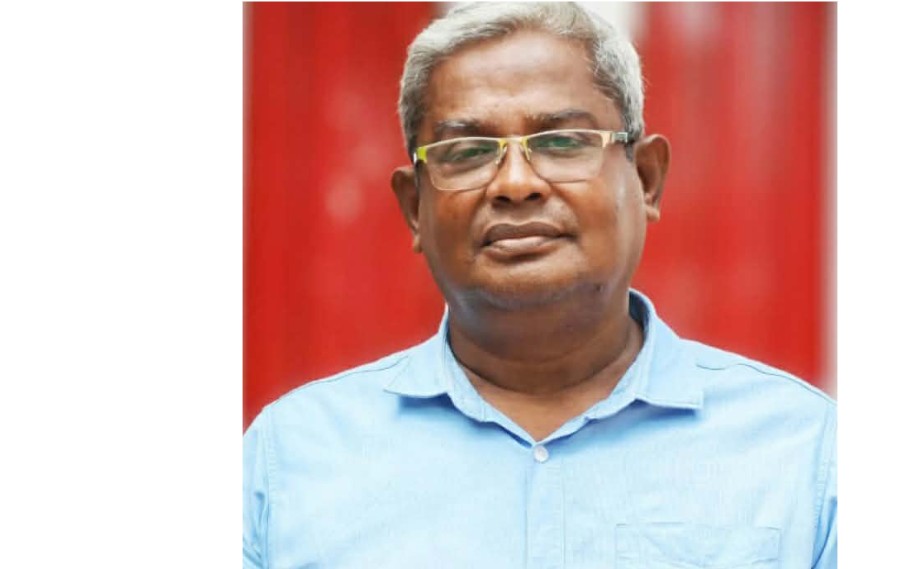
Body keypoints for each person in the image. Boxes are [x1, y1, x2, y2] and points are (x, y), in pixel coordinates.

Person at [243, 3, 836, 568]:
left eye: (561, 143)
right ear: (414, 208)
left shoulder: (805, 455)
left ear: (647, 179)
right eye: (468, 151)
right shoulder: (289, 460)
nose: (515, 184)